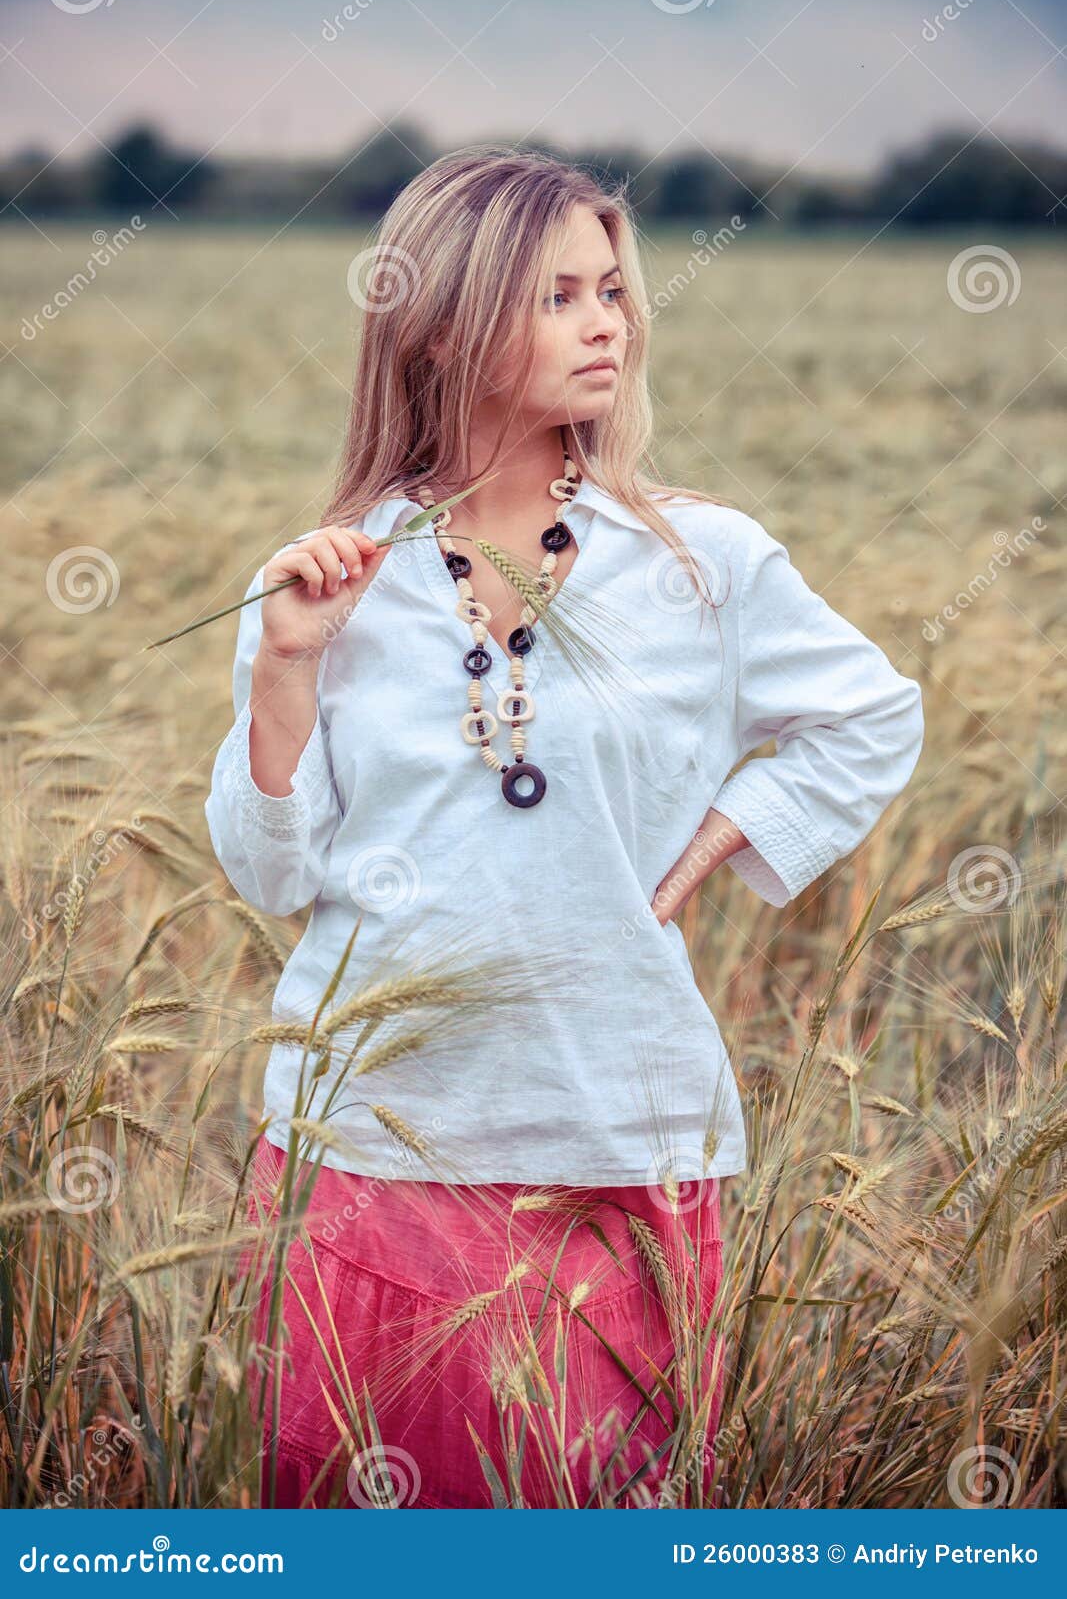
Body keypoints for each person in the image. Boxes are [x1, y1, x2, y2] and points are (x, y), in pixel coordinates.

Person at [206, 147, 924, 1509]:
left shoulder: (699, 562)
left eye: (614, 289)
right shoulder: (330, 579)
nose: (612, 322)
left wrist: (716, 847)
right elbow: (268, 870)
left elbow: (874, 716)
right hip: (372, 1149)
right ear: (448, 324)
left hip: (622, 1135)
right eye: (560, 296)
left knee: (604, 1533)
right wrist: (290, 668)